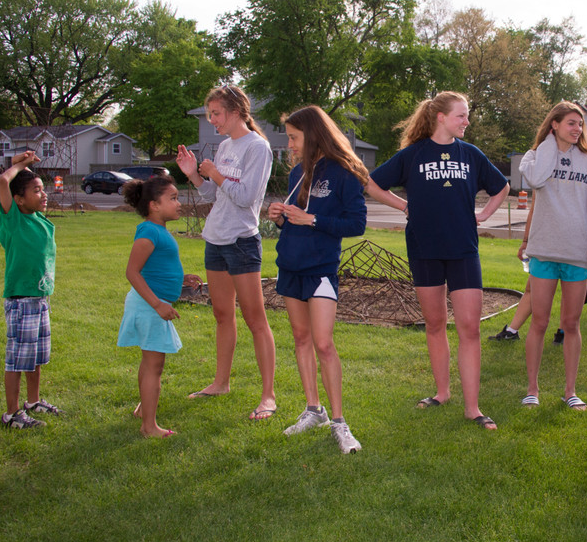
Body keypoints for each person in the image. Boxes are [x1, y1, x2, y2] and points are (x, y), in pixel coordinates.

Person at [367, 91, 509, 430]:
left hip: (463, 249)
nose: (467, 121)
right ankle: (442, 393)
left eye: (467, 115)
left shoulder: (471, 154)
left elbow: (501, 187)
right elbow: (371, 184)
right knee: (434, 324)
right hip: (424, 248)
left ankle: (473, 408)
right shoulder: (413, 154)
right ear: (441, 117)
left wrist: (484, 214)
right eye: (461, 115)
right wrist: (403, 205)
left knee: (470, 327)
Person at [268, 105, 368, 454]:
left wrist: (310, 219)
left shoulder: (345, 173)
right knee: (301, 338)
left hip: (321, 269)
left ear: (312, 135)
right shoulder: (299, 172)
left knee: (323, 344)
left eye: (294, 138)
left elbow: (356, 224)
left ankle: (339, 422)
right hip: (290, 265)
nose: (290, 145)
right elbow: (293, 221)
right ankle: (314, 410)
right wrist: (280, 218)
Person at [176, 84, 277, 420]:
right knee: (222, 315)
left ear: (236, 111)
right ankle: (220, 383)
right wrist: (194, 175)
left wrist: (215, 174)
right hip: (215, 239)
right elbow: (213, 196)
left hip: (241, 242)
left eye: (216, 114)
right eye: (210, 115)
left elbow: (246, 197)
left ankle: (268, 396)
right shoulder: (224, 146)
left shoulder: (258, 147)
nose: (213, 120)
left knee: (255, 319)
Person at [518, 101, 587, 411]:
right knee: (539, 322)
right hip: (543, 252)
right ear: (553, 124)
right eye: (570, 123)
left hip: (577, 255)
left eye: (580, 124)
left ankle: (570, 391)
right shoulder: (534, 157)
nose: (577, 129)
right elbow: (536, 179)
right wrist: (548, 145)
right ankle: (532, 389)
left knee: (571, 323)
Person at [118, 177, 203, 438]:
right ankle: (149, 427)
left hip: (149, 304)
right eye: (173, 198)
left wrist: (181, 279)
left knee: (149, 362)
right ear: (154, 205)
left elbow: (156, 268)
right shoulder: (150, 232)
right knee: (154, 366)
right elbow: (132, 272)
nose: (179, 203)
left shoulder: (158, 230)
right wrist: (157, 305)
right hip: (149, 306)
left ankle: (144, 411)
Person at [0, 150, 61, 429]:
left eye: (42, 189)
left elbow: (14, 181)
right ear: (18, 199)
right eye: (36, 191)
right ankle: (11, 414)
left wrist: (21, 166)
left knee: (35, 357)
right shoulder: (13, 219)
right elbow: (3, 181)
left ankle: (33, 401)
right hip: (21, 300)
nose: (43, 194)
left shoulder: (39, 218)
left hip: (39, 298)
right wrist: (20, 164)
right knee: (17, 360)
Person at [489, 199, 565, 344]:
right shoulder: (540, 185)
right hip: (543, 244)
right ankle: (512, 331)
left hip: (571, 245)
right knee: (531, 288)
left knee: (567, 289)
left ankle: (564, 331)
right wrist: (525, 241)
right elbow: (533, 210)